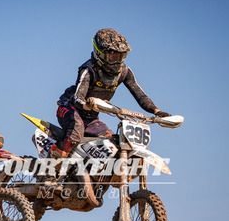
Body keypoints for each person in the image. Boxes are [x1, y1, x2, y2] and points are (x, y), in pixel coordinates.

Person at [52, 28, 171, 157]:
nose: (117, 62)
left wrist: (157, 112)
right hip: (69, 109)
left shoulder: (124, 72)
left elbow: (140, 94)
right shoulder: (89, 70)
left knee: (111, 141)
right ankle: (55, 159)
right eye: (113, 57)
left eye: (121, 56)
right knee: (76, 131)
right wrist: (87, 104)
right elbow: (77, 97)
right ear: (100, 54)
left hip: (91, 118)